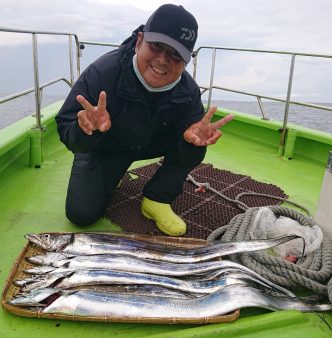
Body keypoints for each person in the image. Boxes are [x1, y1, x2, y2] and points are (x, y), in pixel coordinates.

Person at [56, 4, 233, 237]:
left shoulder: (188, 91)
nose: (163, 60)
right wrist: (86, 130)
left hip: (149, 142)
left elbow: (187, 153)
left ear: (186, 61)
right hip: (106, 146)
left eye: (176, 54)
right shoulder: (102, 73)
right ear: (139, 40)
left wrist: (193, 144)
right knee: (81, 215)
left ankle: (156, 199)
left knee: (192, 140)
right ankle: (113, 172)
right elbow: (67, 129)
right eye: (157, 46)